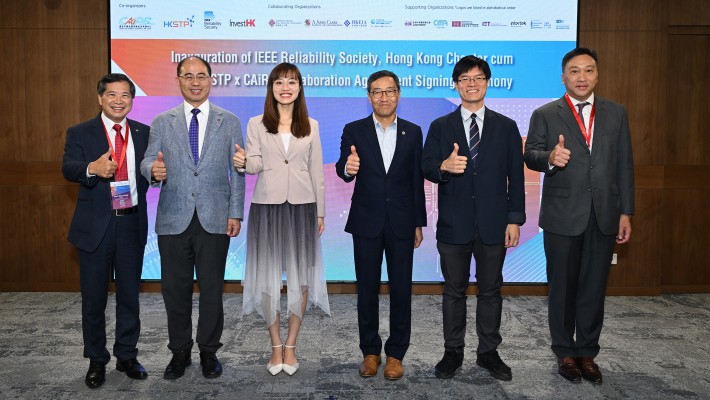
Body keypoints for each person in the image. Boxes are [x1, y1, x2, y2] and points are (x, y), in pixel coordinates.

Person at [524, 47, 634, 384]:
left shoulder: (616, 113)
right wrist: (549, 158)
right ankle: (564, 352)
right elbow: (530, 154)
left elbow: (624, 165)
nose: (581, 77)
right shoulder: (545, 113)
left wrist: (626, 211)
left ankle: (587, 352)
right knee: (562, 286)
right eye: (574, 71)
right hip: (562, 215)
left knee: (593, 287)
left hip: (604, 214)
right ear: (563, 77)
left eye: (588, 71)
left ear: (597, 75)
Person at [140, 56, 245, 380]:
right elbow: (147, 161)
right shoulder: (162, 121)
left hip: (215, 217)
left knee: (212, 289)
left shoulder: (228, 121)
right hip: (174, 218)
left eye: (201, 76)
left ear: (211, 80)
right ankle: (180, 351)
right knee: (175, 289)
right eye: (188, 76)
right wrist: (152, 172)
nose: (195, 81)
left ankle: (209, 351)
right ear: (179, 80)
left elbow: (237, 170)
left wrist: (235, 213)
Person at [422, 55, 526, 381]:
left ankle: (488, 352)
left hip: (495, 224)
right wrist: (443, 167)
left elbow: (516, 177)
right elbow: (425, 166)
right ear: (456, 84)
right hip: (454, 225)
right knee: (454, 291)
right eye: (465, 78)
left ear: (487, 82)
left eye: (478, 78)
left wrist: (515, 219)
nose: (472, 83)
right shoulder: (441, 126)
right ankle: (452, 352)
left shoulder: (507, 126)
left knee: (491, 290)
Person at [235, 62, 329, 376]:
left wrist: (320, 211)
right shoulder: (256, 123)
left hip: (303, 207)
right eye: (279, 82)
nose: (285, 87)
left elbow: (317, 173)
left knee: (300, 279)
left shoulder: (312, 124)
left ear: (300, 87)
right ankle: (275, 344)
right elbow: (254, 166)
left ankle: (291, 344)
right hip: (267, 208)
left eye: (291, 81)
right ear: (271, 88)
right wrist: (242, 161)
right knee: (267, 278)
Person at [335, 70, 426, 380]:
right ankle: (370, 352)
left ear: (398, 94)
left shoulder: (413, 132)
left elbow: (416, 180)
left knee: (402, 290)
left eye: (389, 91)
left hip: (402, 221)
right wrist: (348, 168)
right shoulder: (354, 129)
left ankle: (396, 354)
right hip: (366, 222)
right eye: (377, 91)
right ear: (369, 95)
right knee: (367, 290)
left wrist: (418, 223)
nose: (384, 97)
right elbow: (342, 167)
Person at [62, 73, 150, 388]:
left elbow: (150, 171)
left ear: (131, 100)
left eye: (125, 95)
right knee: (94, 299)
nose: (118, 100)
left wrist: (159, 173)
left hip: (130, 223)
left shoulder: (144, 133)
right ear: (100, 98)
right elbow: (68, 167)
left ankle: (127, 355)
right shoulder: (80, 132)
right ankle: (97, 360)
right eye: (112, 95)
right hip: (95, 227)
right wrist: (91, 169)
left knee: (129, 297)